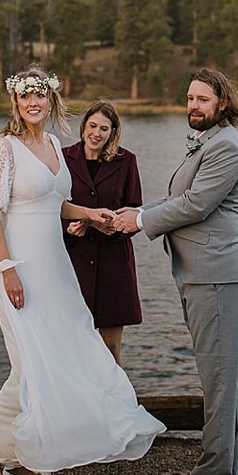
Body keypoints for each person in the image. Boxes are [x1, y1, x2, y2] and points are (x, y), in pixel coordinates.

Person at [0, 66, 164, 475]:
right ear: (16, 103)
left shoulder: (55, 145)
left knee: (60, 356)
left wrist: (90, 215)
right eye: (26, 97)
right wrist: (7, 268)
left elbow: (56, 202)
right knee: (28, 364)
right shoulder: (5, 149)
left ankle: (25, 462)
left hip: (55, 267)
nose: (33, 103)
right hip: (17, 265)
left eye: (40, 96)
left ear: (52, 100)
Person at [112, 67, 238, 475]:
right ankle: (223, 468)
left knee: (216, 378)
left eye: (202, 99)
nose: (193, 105)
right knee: (223, 377)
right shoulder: (210, 143)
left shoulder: (227, 147)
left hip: (216, 274)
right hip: (203, 272)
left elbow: (196, 205)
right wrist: (130, 213)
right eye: (190, 98)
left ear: (222, 103)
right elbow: (178, 200)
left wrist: (138, 221)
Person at [62, 99, 143, 366]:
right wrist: (71, 226)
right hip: (74, 263)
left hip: (113, 265)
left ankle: (116, 406)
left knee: (111, 348)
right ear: (83, 126)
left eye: (104, 129)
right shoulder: (63, 158)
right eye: (92, 126)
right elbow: (51, 208)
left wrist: (108, 226)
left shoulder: (127, 161)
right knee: (72, 346)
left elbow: (134, 210)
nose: (96, 133)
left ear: (113, 131)